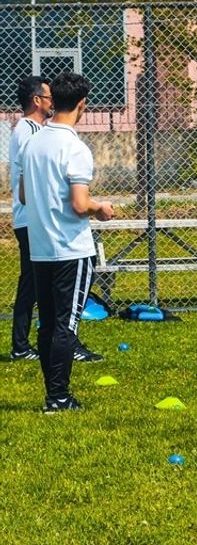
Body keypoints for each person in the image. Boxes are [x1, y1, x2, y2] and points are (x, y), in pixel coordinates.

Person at [19, 72, 115, 412]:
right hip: (71, 250)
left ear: (52, 100)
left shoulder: (34, 142)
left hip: (41, 248)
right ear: (82, 105)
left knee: (48, 322)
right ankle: (58, 398)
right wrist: (100, 208)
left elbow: (23, 195)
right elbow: (78, 204)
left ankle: (54, 394)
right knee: (65, 324)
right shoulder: (75, 148)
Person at [9, 76, 51, 361]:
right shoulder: (27, 130)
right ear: (36, 100)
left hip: (38, 218)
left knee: (41, 283)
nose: (53, 103)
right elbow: (29, 178)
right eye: (48, 97)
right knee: (32, 284)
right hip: (29, 220)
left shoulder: (37, 128)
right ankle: (21, 346)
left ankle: (41, 340)